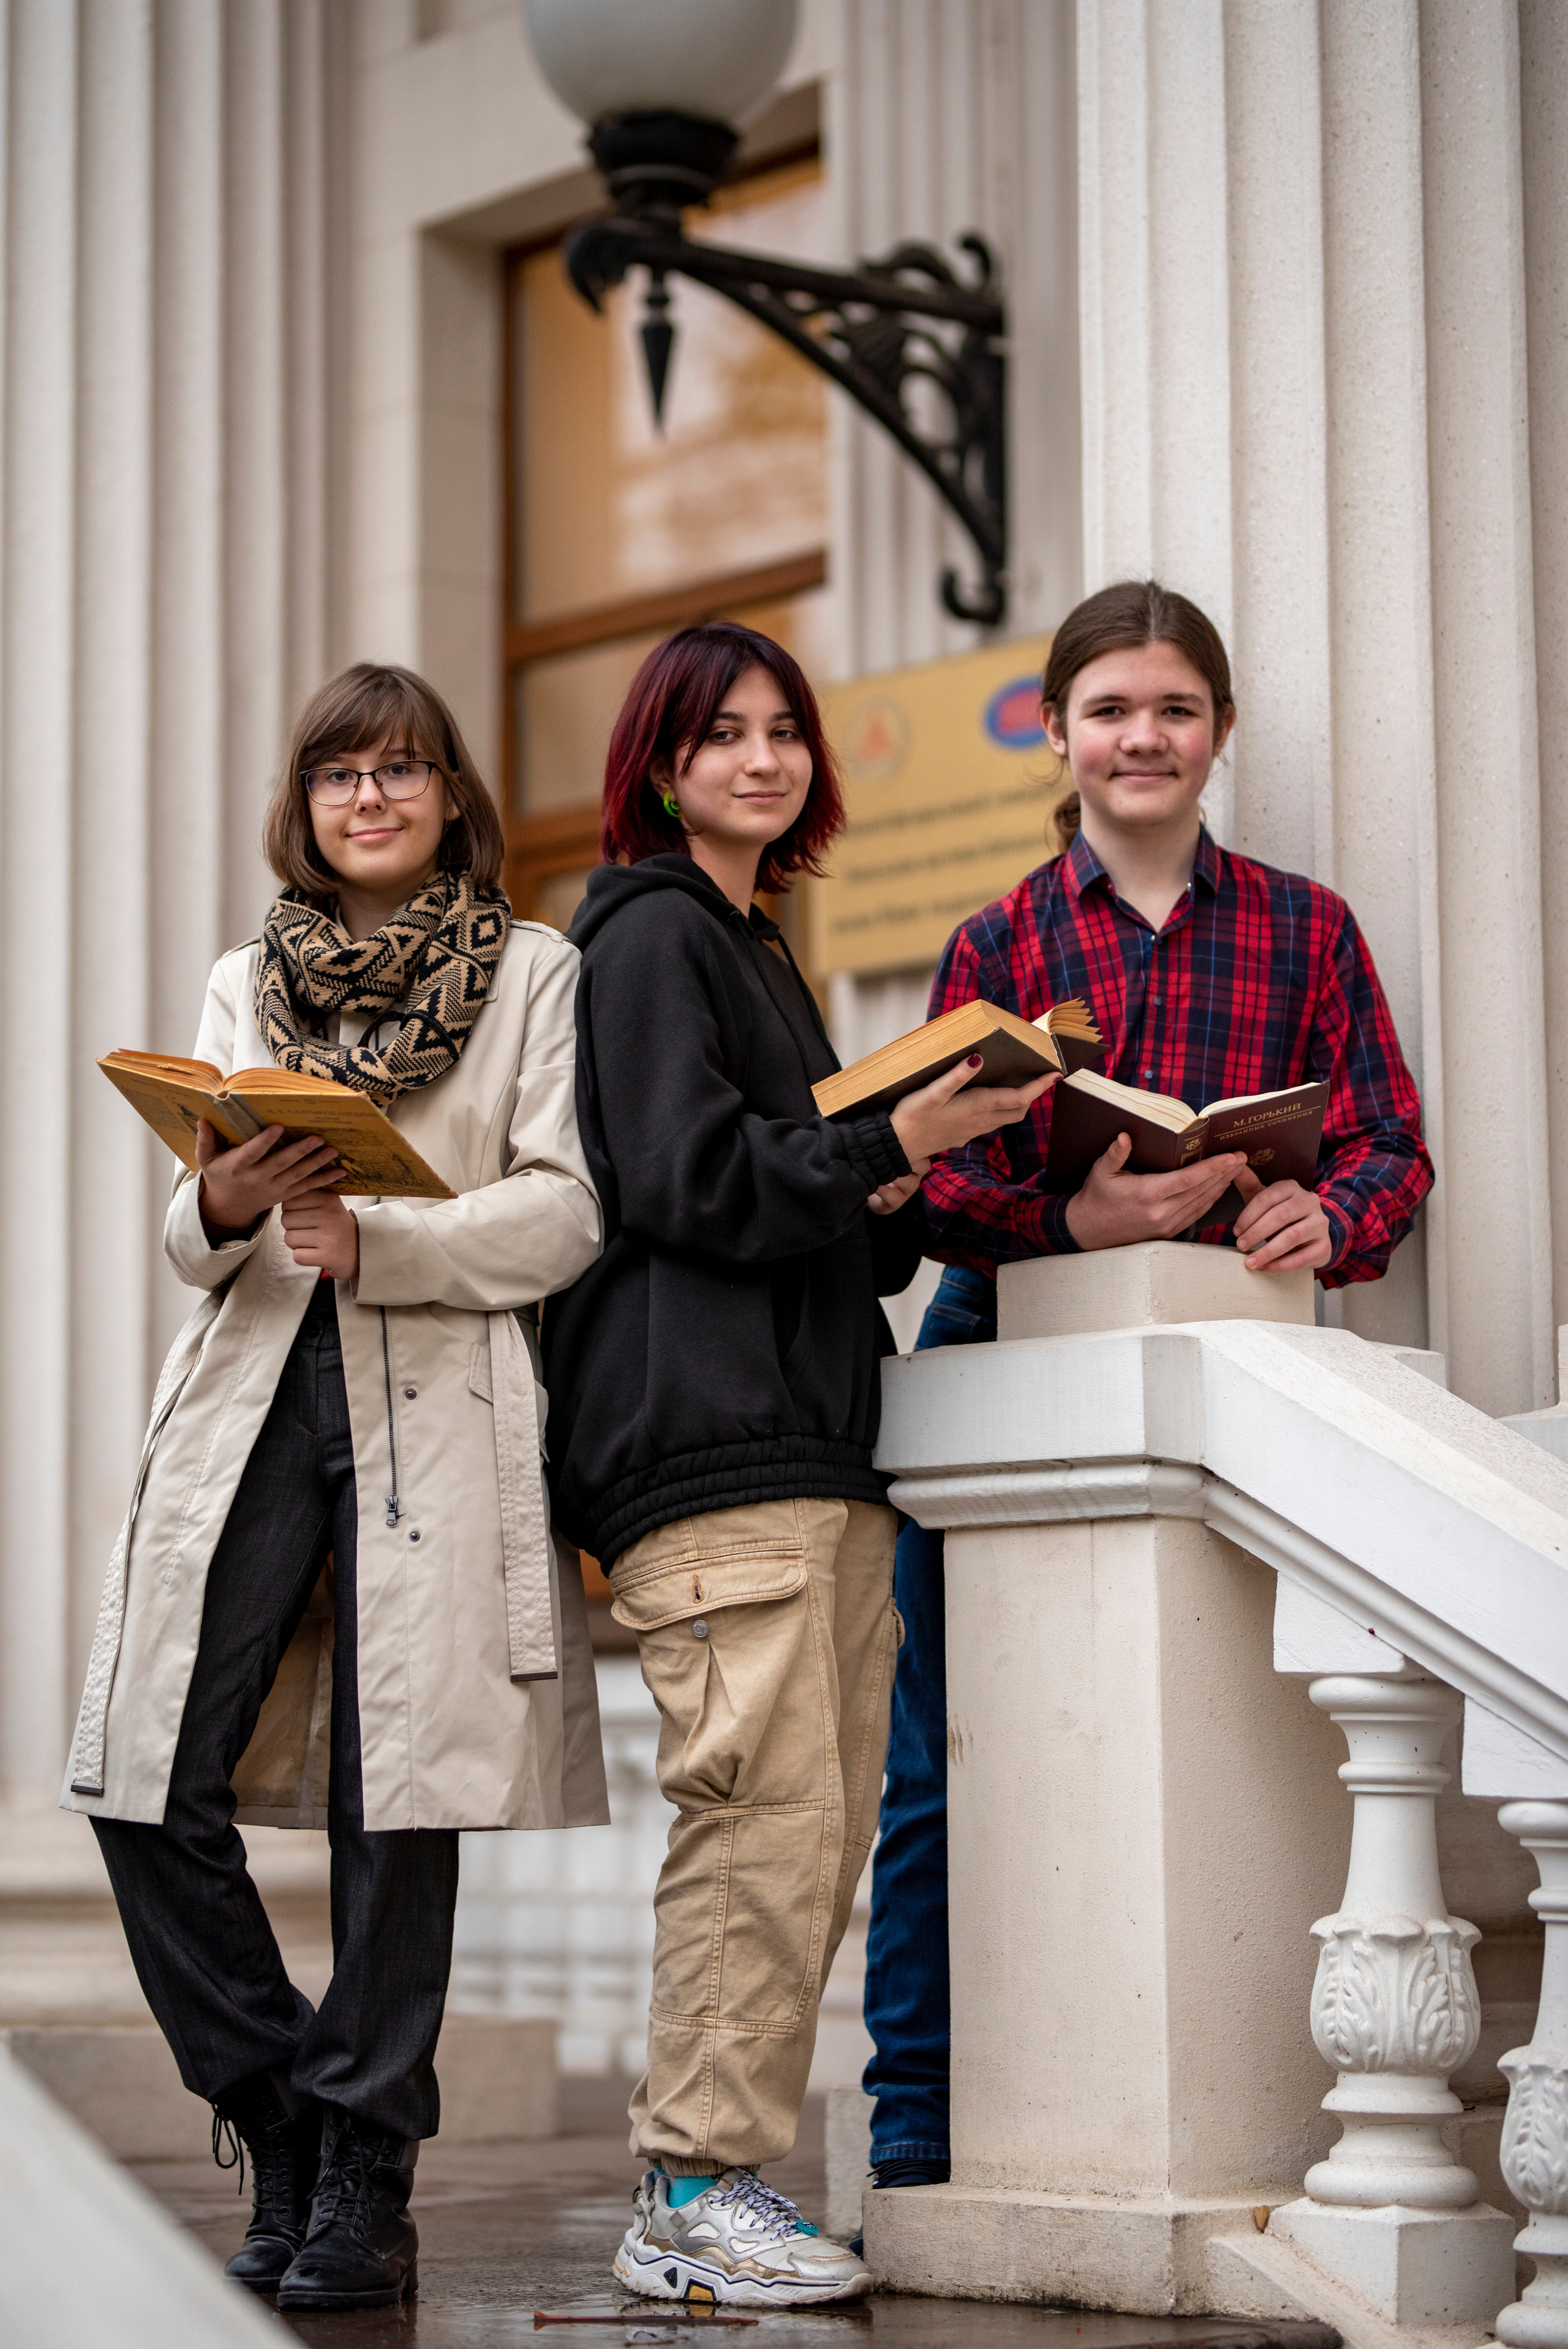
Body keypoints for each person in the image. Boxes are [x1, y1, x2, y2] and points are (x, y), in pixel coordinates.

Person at [861, 578, 1435, 2204]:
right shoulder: (1000, 940)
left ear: (1220, 732)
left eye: (1175, 708)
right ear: (1060, 733)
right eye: (1110, 708)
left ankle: (1218, 2072)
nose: (1143, 736)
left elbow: (1393, 1136)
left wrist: (1335, 1212)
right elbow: (923, 1181)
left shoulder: (1306, 926)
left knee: (1212, 1726)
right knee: (943, 1752)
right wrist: (1067, 1212)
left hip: (1230, 1347)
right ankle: (916, 2113)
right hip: (1002, 1344)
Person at [62, 664, 606, 2313]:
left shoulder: (533, 971)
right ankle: (276, 2110)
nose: (368, 798)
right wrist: (219, 1194)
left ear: (452, 794)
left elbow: (568, 1210)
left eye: (400, 769)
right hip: (246, 1397)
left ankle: (369, 2175)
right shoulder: (249, 976)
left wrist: (395, 1238)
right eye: (338, 776)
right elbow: (188, 1237)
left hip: (433, 1396)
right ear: (301, 807)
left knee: (401, 1801)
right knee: (144, 1771)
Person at [541, 620, 1050, 2310]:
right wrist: (872, 1142)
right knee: (759, 1818)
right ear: (661, 759)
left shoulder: (759, 947)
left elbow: (796, 1207)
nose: (763, 758)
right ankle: (688, 2184)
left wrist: (889, 1175)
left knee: (813, 1831)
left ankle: (720, 2172)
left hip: (816, 1444)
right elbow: (687, 1180)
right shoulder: (646, 934)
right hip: (708, 1447)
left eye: (785, 732)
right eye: (723, 733)